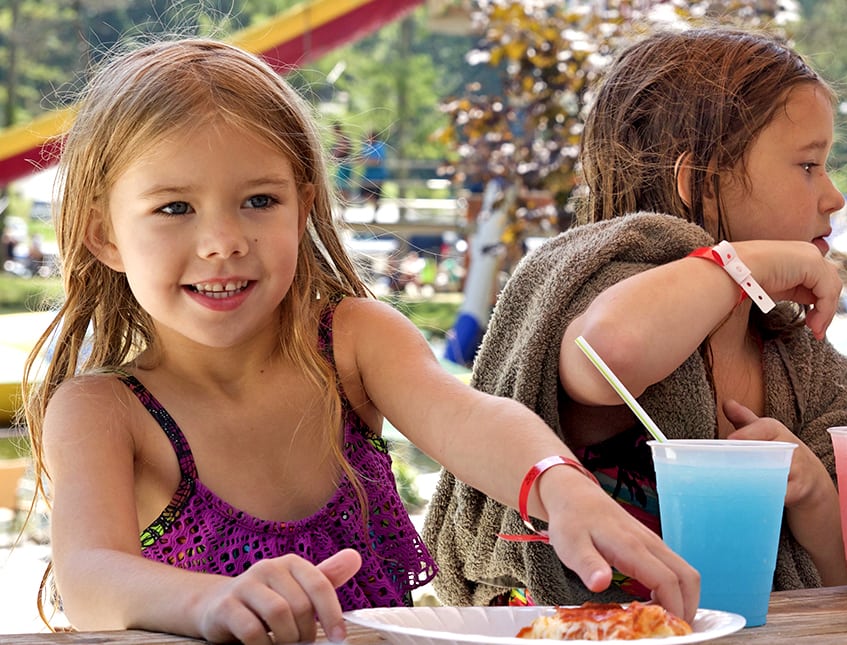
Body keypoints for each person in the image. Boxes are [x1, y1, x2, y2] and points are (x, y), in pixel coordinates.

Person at [21, 38, 698, 644]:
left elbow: (470, 417)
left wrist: (560, 486)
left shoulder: (350, 343)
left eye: (259, 200)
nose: (223, 240)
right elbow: (88, 576)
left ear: (305, 203)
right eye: (175, 208)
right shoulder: (102, 410)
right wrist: (211, 602)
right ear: (104, 232)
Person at [423, 26, 847, 608]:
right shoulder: (603, 288)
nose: (833, 197)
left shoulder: (801, 361)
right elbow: (608, 354)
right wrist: (741, 263)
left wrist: (813, 494)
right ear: (696, 182)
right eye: (808, 166)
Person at [359, 129, 389, 212]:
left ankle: (376, 210)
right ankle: (375, 207)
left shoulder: (379, 147)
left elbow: (377, 161)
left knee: (375, 196)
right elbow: (361, 159)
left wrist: (366, 161)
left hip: (377, 176)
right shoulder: (367, 147)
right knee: (364, 194)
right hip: (368, 176)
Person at [329, 121, 354, 203]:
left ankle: (344, 208)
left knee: (343, 188)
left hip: (345, 167)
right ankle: (342, 209)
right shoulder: (339, 140)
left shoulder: (343, 139)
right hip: (340, 166)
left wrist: (332, 157)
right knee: (338, 188)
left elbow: (339, 152)